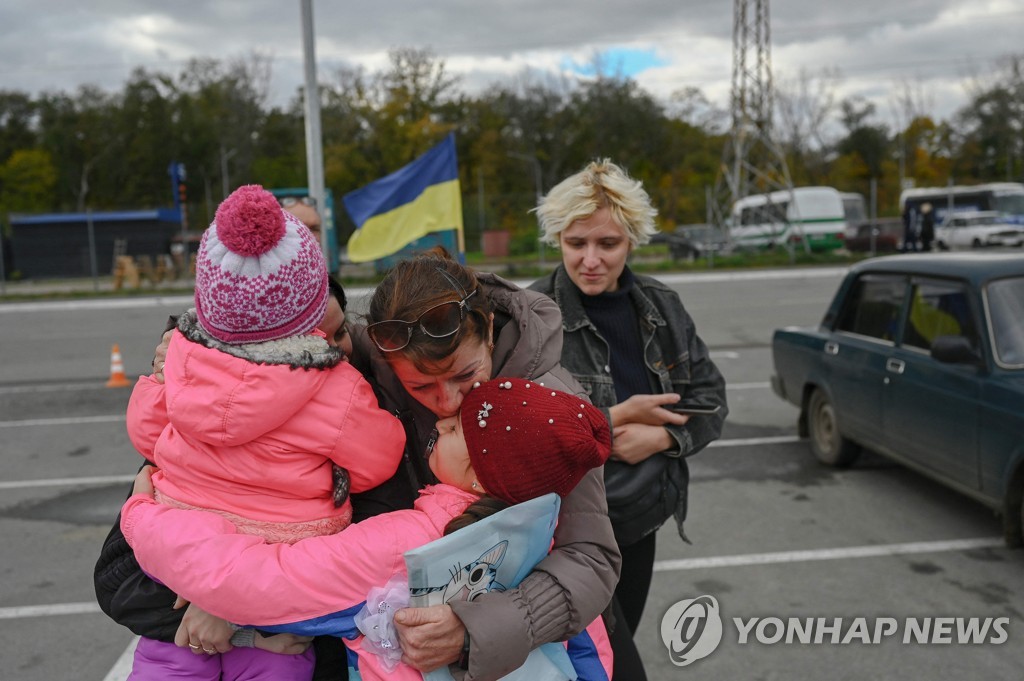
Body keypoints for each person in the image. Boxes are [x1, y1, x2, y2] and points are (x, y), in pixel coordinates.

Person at [95, 248, 620, 681]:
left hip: (521, 648)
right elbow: (124, 574)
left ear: (486, 329)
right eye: (420, 387)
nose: (446, 404)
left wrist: (473, 630)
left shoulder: (548, 405)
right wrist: (188, 357)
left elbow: (592, 556)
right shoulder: (356, 371)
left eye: (465, 376)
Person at [119, 377, 615, 680]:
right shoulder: (545, 538)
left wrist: (144, 515)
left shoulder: (409, 542)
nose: (439, 423)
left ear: (487, 472)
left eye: (458, 428)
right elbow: (590, 651)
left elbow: (258, 580)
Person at [123, 184, 406, 680]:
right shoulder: (335, 385)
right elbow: (376, 461)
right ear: (310, 303)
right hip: (282, 559)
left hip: (177, 543)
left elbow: (148, 437)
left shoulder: (182, 358)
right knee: (275, 659)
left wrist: (155, 379)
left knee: (166, 662)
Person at [529, 159, 728, 675]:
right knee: (616, 667)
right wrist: (611, 421)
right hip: (562, 532)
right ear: (558, 240)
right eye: (576, 244)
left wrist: (660, 438)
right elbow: (515, 434)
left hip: (639, 517)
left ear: (632, 242)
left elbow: (711, 398)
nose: (591, 259)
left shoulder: (662, 307)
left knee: (610, 656)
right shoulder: (531, 314)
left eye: (608, 244)